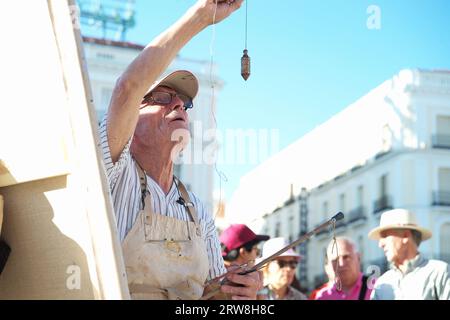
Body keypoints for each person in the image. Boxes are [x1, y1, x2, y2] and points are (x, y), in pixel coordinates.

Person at [100, 0, 261, 300]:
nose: (179, 105)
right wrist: (201, 15)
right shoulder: (113, 172)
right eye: (162, 97)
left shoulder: (198, 212)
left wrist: (242, 293)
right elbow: (127, 87)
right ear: (130, 119)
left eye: (184, 103)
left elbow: (211, 299)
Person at [368, 208, 450, 300]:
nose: (380, 244)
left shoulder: (439, 272)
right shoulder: (381, 283)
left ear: (405, 236)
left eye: (385, 236)